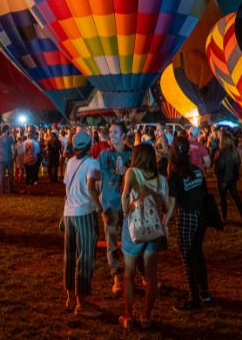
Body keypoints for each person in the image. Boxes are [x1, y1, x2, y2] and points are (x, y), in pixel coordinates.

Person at [119, 143, 174, 330]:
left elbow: (125, 196)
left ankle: (128, 317)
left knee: (129, 274)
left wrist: (126, 211)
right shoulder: (162, 180)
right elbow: (167, 206)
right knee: (151, 275)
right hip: (154, 230)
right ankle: (146, 318)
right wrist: (164, 223)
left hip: (134, 228)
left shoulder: (132, 173)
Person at [62, 129, 103, 317]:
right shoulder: (92, 163)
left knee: (70, 256)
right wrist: (99, 206)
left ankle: (70, 297)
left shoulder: (70, 162)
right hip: (84, 212)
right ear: (89, 146)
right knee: (85, 256)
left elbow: (67, 187)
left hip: (69, 213)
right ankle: (82, 303)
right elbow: (91, 186)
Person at [168, 136, 211, 311]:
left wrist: (164, 221)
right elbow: (204, 194)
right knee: (198, 254)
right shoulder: (197, 171)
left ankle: (193, 299)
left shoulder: (175, 175)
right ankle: (204, 292)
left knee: (188, 257)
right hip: (201, 217)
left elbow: (171, 202)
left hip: (186, 217)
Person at [97, 122, 132, 297]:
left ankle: (138, 272)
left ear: (124, 135)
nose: (112, 135)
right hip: (110, 202)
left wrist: (126, 171)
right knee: (111, 241)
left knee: (132, 239)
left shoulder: (132, 155)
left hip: (128, 205)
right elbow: (99, 179)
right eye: (110, 132)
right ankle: (116, 275)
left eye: (116, 132)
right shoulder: (103, 155)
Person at [215, 132, 242, 222]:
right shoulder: (235, 150)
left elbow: (221, 165)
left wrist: (216, 169)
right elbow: (238, 163)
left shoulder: (221, 152)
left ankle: (224, 217)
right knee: (236, 197)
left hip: (223, 178)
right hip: (232, 177)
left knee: (223, 199)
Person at [0, 125, 16, 194]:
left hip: (1, 159)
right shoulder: (10, 138)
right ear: (7, 130)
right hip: (9, 158)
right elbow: (13, 149)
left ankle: (2, 190)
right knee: (10, 174)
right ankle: (11, 189)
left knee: (2, 175)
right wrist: (14, 156)